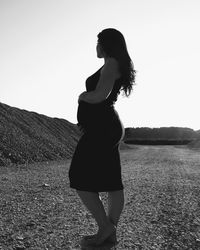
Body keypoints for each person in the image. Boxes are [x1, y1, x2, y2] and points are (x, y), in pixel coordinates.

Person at [68, 28, 136, 247]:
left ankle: (106, 228)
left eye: (98, 42)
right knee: (112, 182)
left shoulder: (110, 64)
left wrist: (82, 96)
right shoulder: (114, 63)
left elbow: (100, 95)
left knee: (79, 176)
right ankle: (110, 233)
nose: (95, 47)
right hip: (107, 127)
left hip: (103, 129)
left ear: (106, 44)